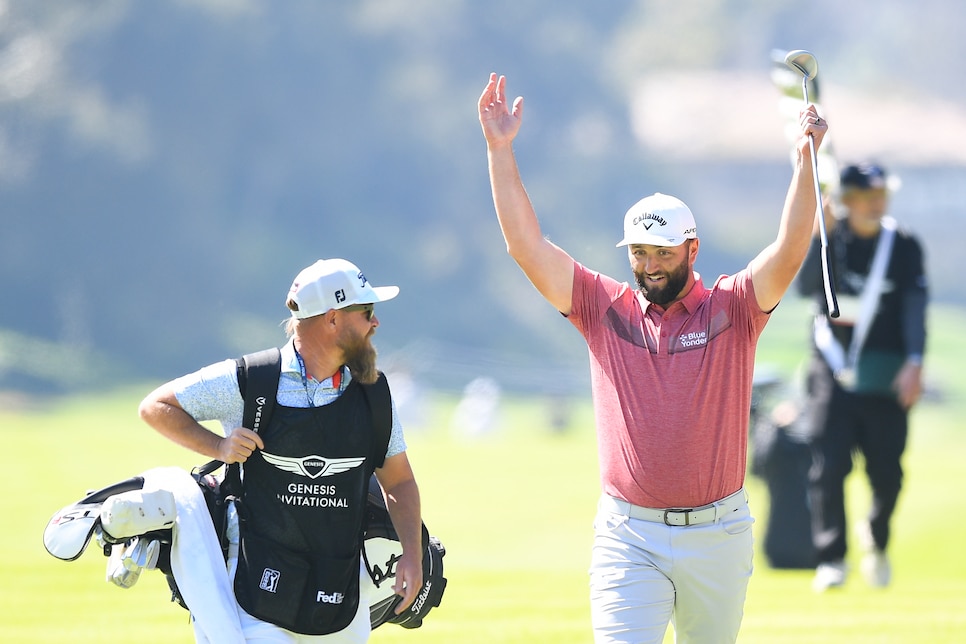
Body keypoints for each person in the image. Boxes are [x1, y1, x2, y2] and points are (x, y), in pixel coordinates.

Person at [478, 72, 828, 643]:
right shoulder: (601, 306)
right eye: (639, 253)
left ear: (692, 248)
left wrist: (804, 162)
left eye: (662, 252)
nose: (649, 266)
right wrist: (499, 151)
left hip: (718, 532)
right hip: (628, 533)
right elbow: (526, 247)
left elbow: (790, 248)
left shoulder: (733, 307)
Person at [138, 258, 424, 643]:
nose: (376, 323)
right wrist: (219, 446)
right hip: (254, 591)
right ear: (333, 318)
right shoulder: (252, 379)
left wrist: (412, 553)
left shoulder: (374, 394)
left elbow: (399, 481)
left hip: (341, 591)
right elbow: (156, 407)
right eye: (367, 312)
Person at [797, 163, 928, 592]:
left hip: (885, 373)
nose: (877, 202)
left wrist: (914, 361)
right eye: (866, 194)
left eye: (881, 193)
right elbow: (804, 289)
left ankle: (877, 536)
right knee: (828, 465)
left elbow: (913, 306)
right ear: (846, 200)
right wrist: (820, 236)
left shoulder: (904, 245)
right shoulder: (830, 240)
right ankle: (832, 558)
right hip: (831, 370)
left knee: (887, 472)